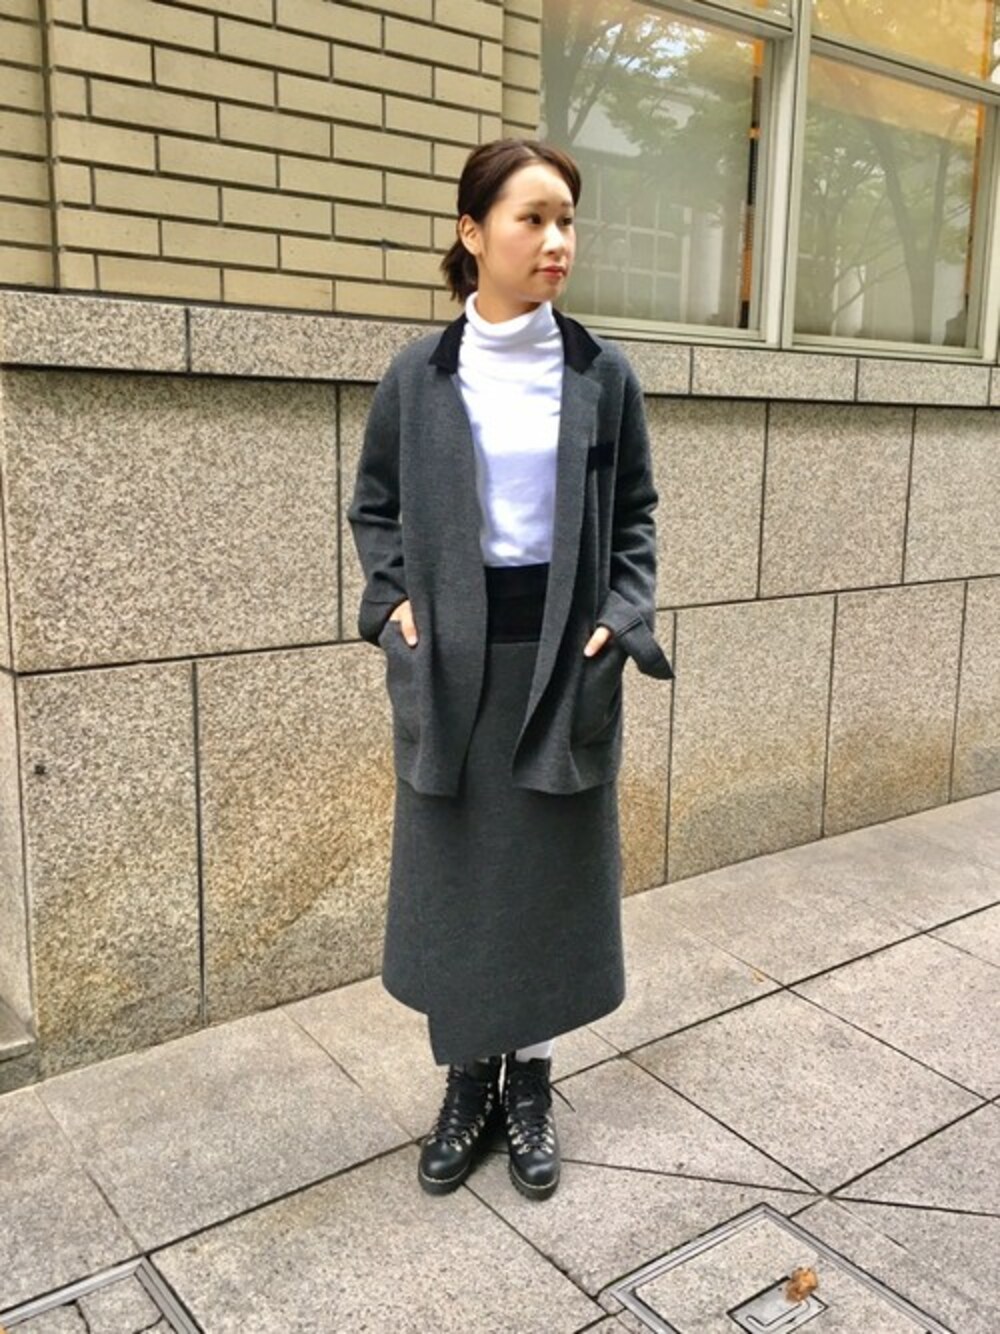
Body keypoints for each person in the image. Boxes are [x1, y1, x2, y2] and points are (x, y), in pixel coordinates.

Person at [347, 138, 673, 1202]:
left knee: (542, 883)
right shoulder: (417, 376)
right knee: (459, 880)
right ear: (472, 231)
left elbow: (635, 515)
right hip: (451, 663)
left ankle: (528, 1081)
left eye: (567, 219)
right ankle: (466, 1080)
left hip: (562, 660)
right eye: (532, 218)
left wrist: (621, 615)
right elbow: (376, 506)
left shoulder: (601, 374)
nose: (556, 240)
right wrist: (393, 606)